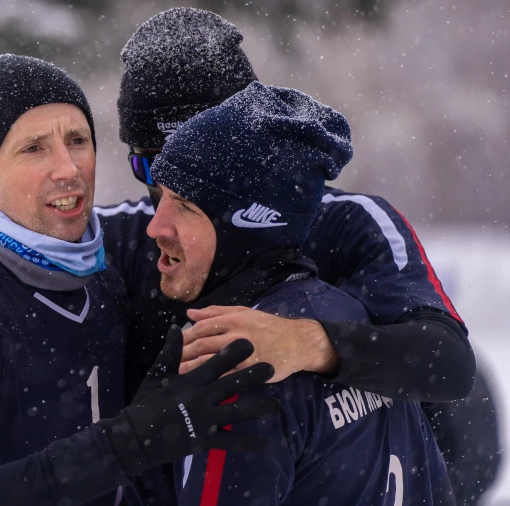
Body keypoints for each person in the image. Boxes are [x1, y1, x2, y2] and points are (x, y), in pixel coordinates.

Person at [0, 7, 492, 504]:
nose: (164, 196)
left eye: (194, 168)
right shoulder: (137, 237)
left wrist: (308, 343)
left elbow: (444, 362)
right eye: (148, 164)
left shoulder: (349, 224)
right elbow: (4, 256)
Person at [0, 54, 280, 506]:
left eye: (78, 140)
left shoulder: (114, 255)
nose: (68, 168)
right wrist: (132, 442)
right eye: (34, 148)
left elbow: (251, 227)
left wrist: (319, 340)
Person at [148, 80, 453, 505]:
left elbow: (452, 363)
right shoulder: (356, 312)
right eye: (160, 196)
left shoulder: (240, 364)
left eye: (185, 206)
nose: (154, 226)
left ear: (247, 224)